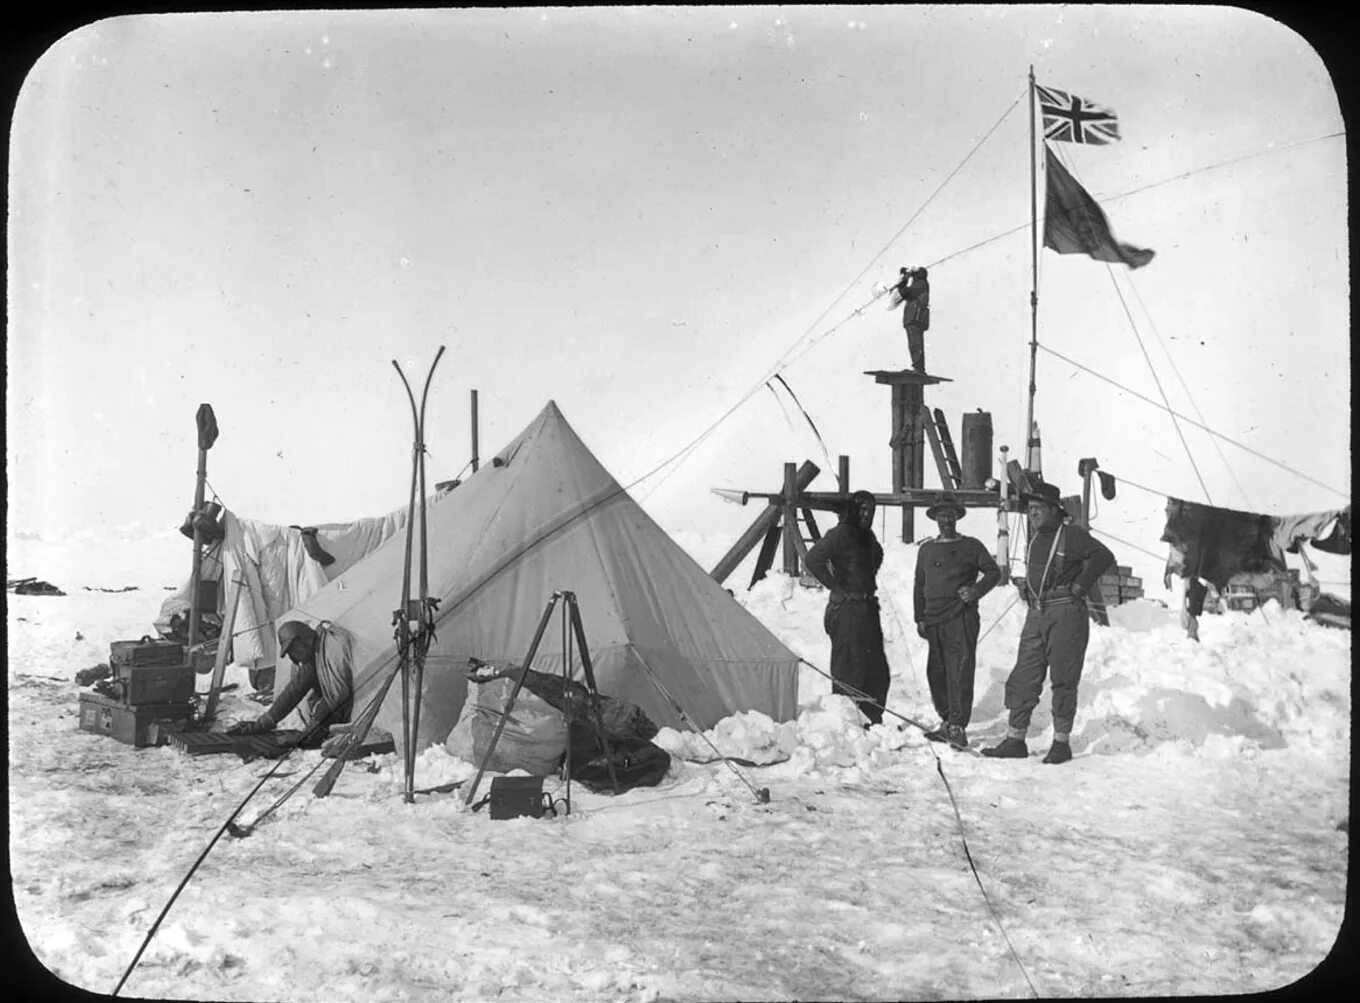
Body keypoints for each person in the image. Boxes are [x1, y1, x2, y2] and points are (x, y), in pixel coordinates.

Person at [982, 482, 1115, 765]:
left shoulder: (1073, 536)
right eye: (1030, 510)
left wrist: (1081, 585)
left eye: (1038, 509)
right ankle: (1016, 740)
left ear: (1055, 510)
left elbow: (1104, 556)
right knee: (1024, 675)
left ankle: (1061, 744)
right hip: (1037, 614)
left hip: (1067, 614)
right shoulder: (1035, 539)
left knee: (1063, 679)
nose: (1032, 514)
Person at [464, 658, 669, 793]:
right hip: (585, 710)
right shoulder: (627, 726)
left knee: (558, 694)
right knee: (559, 693)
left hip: (585, 711)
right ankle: (512, 674)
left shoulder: (623, 726)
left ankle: (512, 674)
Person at [914, 493, 1001, 750]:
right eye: (942, 515)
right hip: (933, 619)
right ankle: (946, 721)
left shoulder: (971, 546)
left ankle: (958, 726)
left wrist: (975, 591)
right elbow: (919, 584)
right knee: (937, 671)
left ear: (957, 517)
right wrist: (919, 616)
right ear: (935, 519)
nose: (946, 520)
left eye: (950, 515)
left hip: (960, 618)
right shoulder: (926, 549)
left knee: (959, 670)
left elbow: (994, 572)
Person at [804, 490, 892, 727]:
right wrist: (836, 586)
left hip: (867, 609)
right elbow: (812, 559)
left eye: (871, 511)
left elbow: (878, 555)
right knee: (848, 666)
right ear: (853, 511)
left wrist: (865, 576)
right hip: (846, 611)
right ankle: (848, 724)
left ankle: (872, 719)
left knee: (876, 668)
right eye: (862, 509)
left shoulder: (868, 536)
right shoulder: (840, 534)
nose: (867, 515)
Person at [225, 620, 355, 744]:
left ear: (304, 641)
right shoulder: (312, 658)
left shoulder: (332, 650)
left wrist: (315, 725)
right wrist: (264, 723)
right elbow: (294, 691)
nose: (293, 656)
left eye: (294, 649)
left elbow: (337, 694)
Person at [894, 266, 931, 372]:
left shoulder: (920, 284)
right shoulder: (921, 284)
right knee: (915, 344)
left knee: (915, 344)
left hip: (915, 318)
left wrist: (903, 281)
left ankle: (918, 367)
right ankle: (918, 367)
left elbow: (905, 293)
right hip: (916, 318)